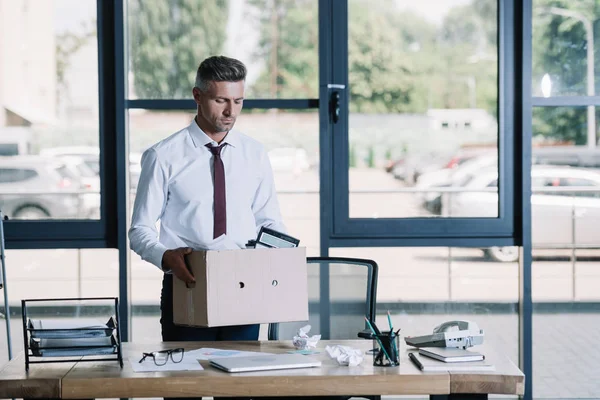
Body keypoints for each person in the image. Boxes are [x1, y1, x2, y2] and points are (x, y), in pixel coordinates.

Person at [129, 55, 286, 344]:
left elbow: (269, 220)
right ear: (197, 96)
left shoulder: (255, 154)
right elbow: (139, 229)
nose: (231, 111)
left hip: (245, 283)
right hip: (188, 281)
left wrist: (277, 260)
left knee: (237, 385)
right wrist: (165, 257)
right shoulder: (163, 156)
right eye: (221, 101)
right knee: (184, 385)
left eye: (238, 101)